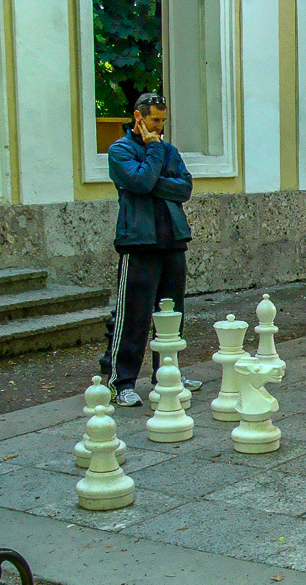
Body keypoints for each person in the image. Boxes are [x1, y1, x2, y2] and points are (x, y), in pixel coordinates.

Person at [106, 93, 200, 406]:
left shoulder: (168, 150)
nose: (159, 127)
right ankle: (122, 382)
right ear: (138, 117)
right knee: (134, 315)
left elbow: (184, 188)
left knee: (171, 314)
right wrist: (156, 160)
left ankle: (168, 373)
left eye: (163, 121)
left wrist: (153, 174)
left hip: (173, 239)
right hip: (139, 242)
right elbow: (141, 182)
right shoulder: (120, 150)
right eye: (154, 120)